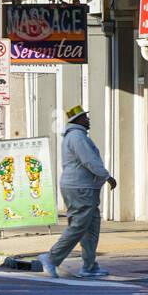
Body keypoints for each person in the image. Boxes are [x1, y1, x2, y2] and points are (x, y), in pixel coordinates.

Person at [39, 105, 116, 279]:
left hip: (84, 187)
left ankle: (89, 266)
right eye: (85, 117)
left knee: (91, 227)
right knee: (79, 226)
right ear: (78, 120)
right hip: (80, 188)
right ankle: (51, 258)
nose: (88, 120)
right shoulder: (77, 137)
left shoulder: (75, 136)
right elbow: (89, 160)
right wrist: (107, 176)